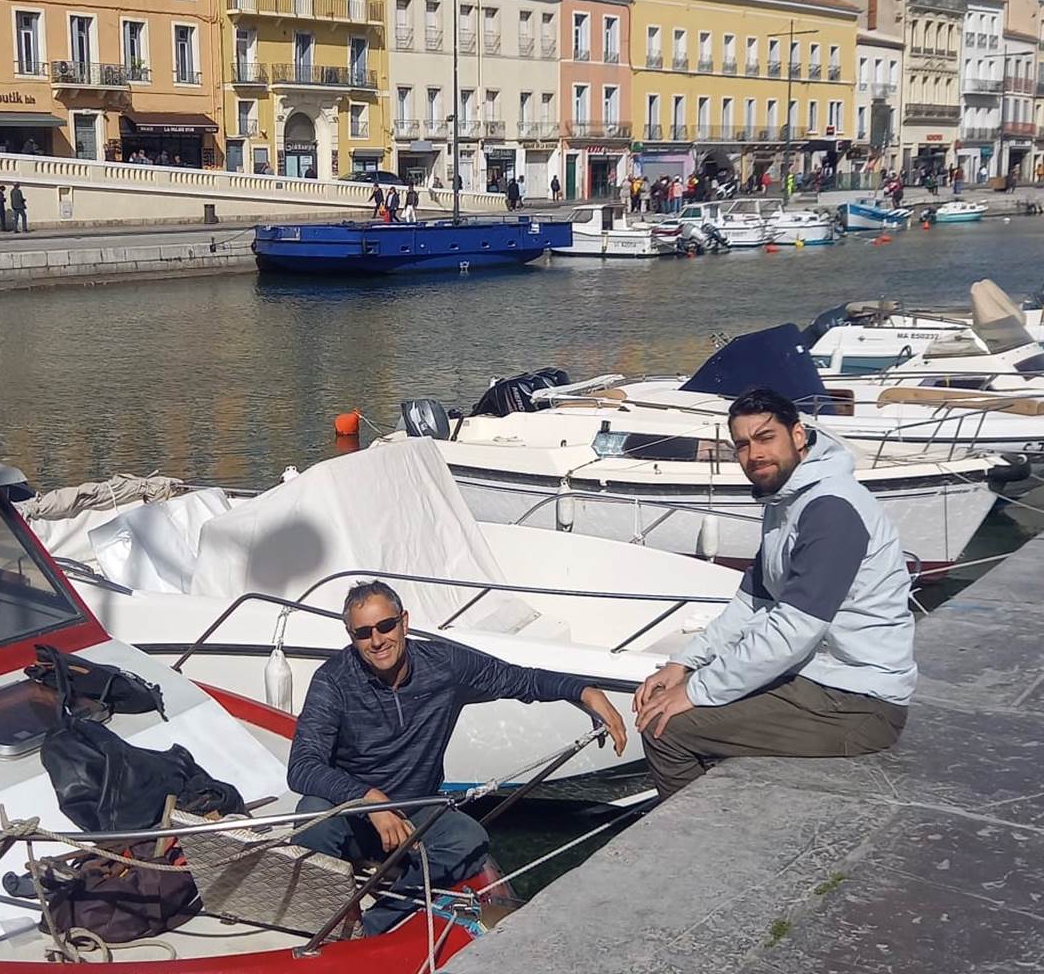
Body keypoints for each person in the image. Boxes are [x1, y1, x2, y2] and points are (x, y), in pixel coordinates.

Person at [290, 580, 627, 935]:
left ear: (404, 621)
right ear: (351, 635)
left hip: (417, 807)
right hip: (356, 813)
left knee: (468, 840)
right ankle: (322, 919)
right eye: (363, 633)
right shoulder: (332, 680)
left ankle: (374, 926)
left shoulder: (444, 664)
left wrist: (582, 690)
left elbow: (515, 678)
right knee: (313, 815)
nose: (377, 640)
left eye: (386, 626)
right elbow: (303, 765)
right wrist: (370, 801)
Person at [634, 388, 914, 800]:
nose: (754, 454)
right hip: (819, 680)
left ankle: (703, 845)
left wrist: (696, 690)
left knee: (666, 729)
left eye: (766, 438)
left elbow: (795, 630)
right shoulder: (786, 501)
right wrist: (684, 665)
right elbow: (753, 603)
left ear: (798, 436)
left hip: (858, 702)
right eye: (743, 445)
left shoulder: (830, 508)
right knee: (676, 695)